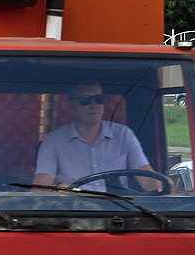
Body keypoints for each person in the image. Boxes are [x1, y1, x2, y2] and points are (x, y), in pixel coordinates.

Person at [32, 82, 160, 192]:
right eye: (85, 100)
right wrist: (62, 188)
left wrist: (161, 185)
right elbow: (40, 187)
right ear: (70, 105)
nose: (94, 105)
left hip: (118, 212)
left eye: (99, 99)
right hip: (71, 212)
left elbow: (146, 176)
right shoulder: (53, 141)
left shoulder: (124, 135)